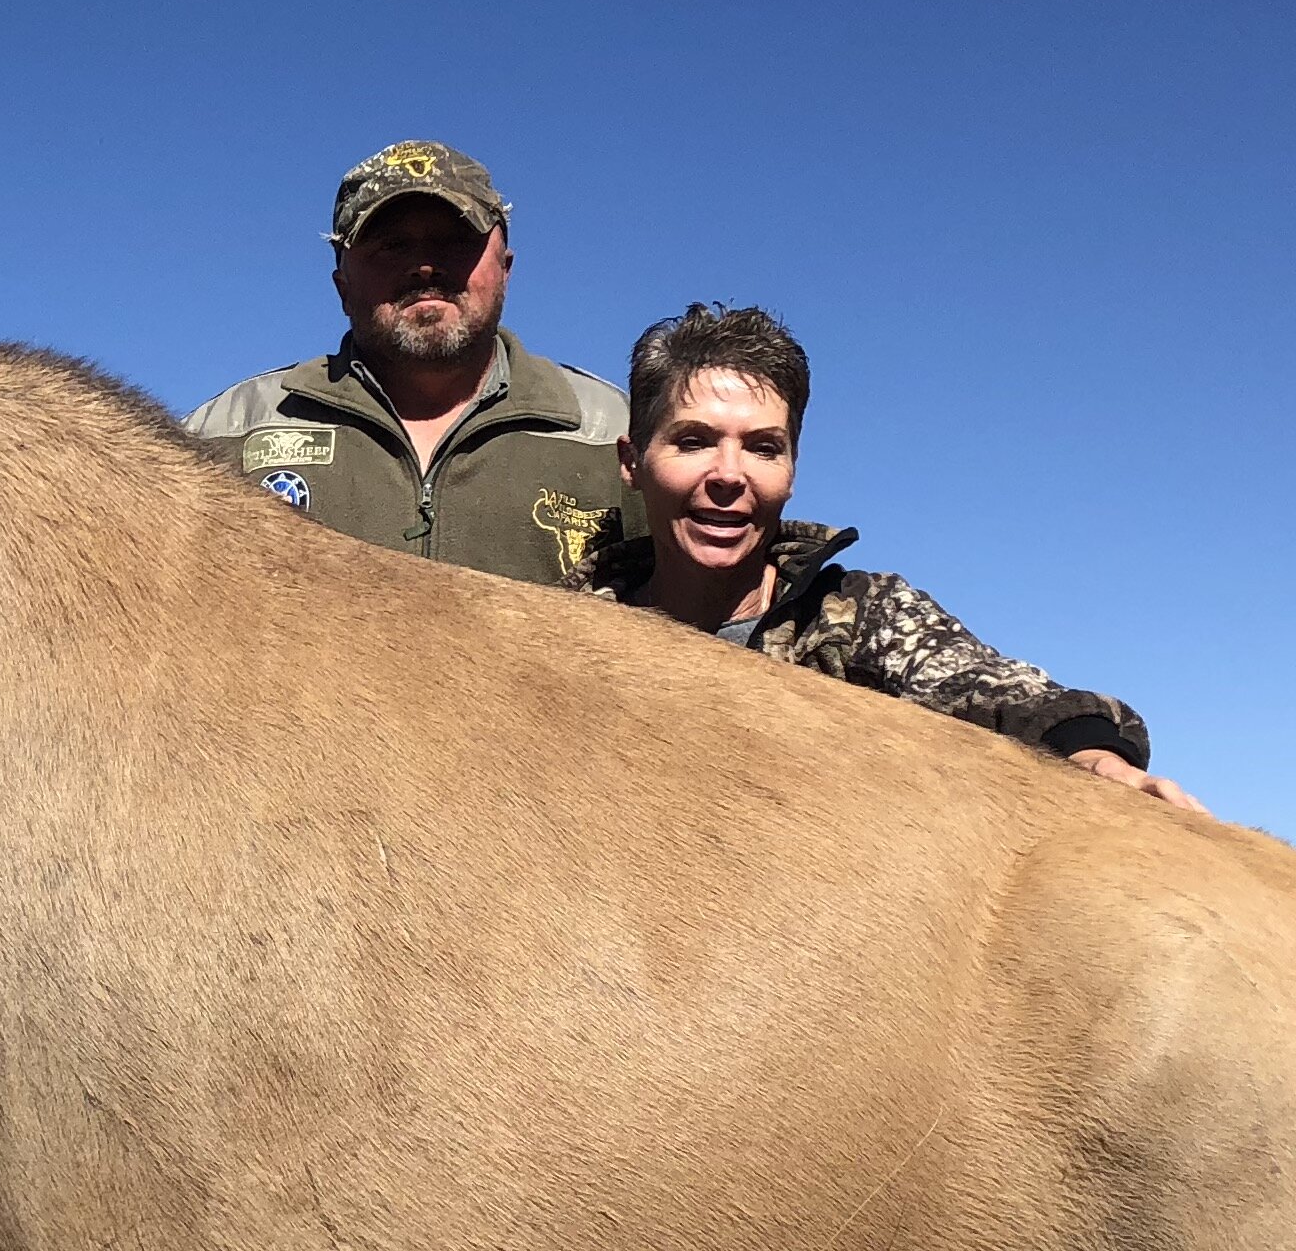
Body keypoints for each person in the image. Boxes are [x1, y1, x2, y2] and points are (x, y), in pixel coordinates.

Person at [583, 301, 1203, 808]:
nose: (729, 475)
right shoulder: (570, 631)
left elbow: (1000, 690)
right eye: (693, 441)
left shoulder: (856, 615)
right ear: (632, 463)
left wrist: (1095, 756)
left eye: (764, 448)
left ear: (792, 472)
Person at [184, 140, 637, 584]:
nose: (424, 267)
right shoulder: (222, 436)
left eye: (455, 241)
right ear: (341, 285)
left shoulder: (621, 432)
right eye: (392, 245)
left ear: (505, 269)